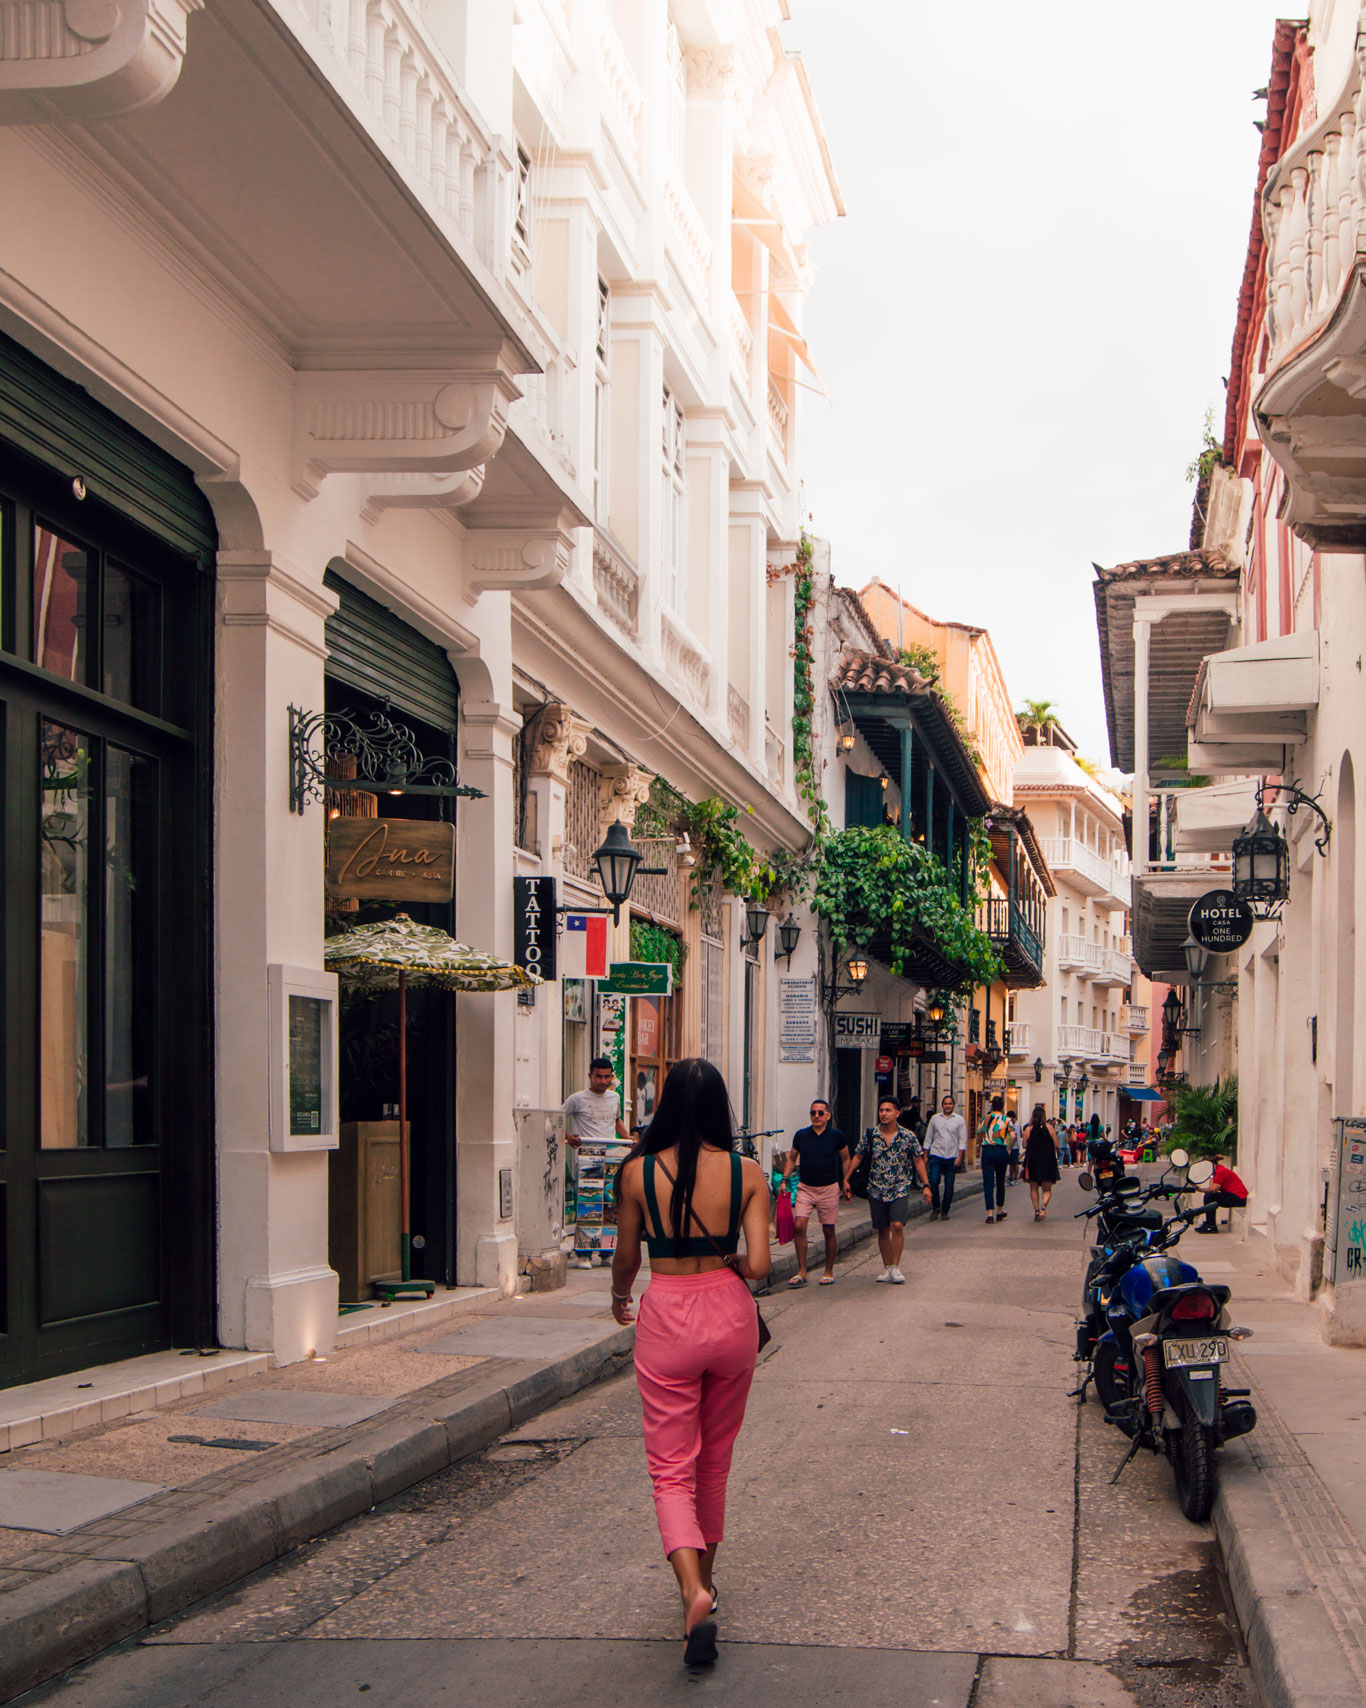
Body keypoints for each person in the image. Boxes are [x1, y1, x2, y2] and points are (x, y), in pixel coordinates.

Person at [609, 1059, 771, 1666]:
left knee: (670, 1466)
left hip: (667, 1315)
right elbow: (758, 1265)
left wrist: (621, 1298)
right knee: (716, 1460)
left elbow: (626, 1258)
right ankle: (710, 1576)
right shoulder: (746, 1171)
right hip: (729, 1318)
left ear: (667, 1106)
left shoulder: (636, 1172)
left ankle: (691, 1590)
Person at [846, 1095, 931, 1283]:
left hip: (900, 1187)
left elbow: (918, 1160)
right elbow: (858, 1156)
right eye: (881, 1110)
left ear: (897, 1113)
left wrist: (926, 1185)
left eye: (888, 1110)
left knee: (897, 1226)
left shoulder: (908, 1136)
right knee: (882, 1229)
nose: (884, 1114)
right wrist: (846, 1179)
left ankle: (895, 1267)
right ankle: (886, 1268)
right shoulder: (870, 1135)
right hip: (876, 1187)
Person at [781, 1099, 851, 1286]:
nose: (816, 1116)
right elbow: (791, 1159)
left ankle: (828, 1271)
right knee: (799, 1226)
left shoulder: (837, 1136)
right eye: (813, 1113)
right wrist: (784, 1180)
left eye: (820, 1113)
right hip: (805, 1187)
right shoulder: (801, 1136)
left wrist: (846, 1181)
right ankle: (802, 1271)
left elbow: (845, 1158)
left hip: (828, 1188)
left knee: (828, 1229)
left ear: (828, 1116)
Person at [563, 1056, 631, 1147]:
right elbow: (555, 1119)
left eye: (607, 1077)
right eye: (598, 1076)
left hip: (611, 1152)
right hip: (586, 1154)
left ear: (611, 1077)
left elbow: (616, 1120)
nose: (603, 1081)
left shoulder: (615, 1097)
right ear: (590, 1076)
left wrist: (627, 1137)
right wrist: (568, 1136)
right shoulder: (577, 1099)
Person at [923, 1093, 967, 1221]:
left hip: (952, 1156)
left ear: (953, 1105)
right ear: (942, 1105)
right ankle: (935, 1207)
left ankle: (945, 1210)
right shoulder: (935, 1119)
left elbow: (962, 1140)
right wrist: (925, 1155)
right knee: (934, 1181)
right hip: (936, 1154)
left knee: (949, 1185)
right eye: (945, 1104)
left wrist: (960, 1157)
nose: (948, 1106)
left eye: (950, 1104)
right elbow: (928, 1137)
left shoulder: (959, 1120)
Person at [978, 1094, 1014, 1224]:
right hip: (1001, 1150)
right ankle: (1000, 1210)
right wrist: (1009, 1148)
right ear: (1003, 1106)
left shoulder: (985, 1118)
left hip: (987, 1150)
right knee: (1000, 1182)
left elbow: (979, 1132)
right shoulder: (1006, 1120)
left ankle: (990, 1213)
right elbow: (1014, 1136)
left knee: (988, 1183)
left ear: (991, 1105)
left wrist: (981, 1143)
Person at [1021, 1103, 1060, 1221]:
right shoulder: (1050, 1129)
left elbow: (1024, 1145)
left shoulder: (1028, 1129)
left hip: (1033, 1161)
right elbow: (1057, 1144)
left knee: (1033, 1188)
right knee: (1047, 1189)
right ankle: (1044, 1206)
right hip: (1047, 1160)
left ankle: (1037, 1210)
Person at [1198, 1152, 1248, 1233]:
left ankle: (1211, 1225)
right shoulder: (1217, 1171)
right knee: (1208, 1195)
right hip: (1235, 1196)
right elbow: (1212, 1188)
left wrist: (1201, 1189)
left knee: (1210, 1196)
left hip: (1239, 1198)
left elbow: (1214, 1189)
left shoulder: (1220, 1171)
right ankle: (1209, 1223)